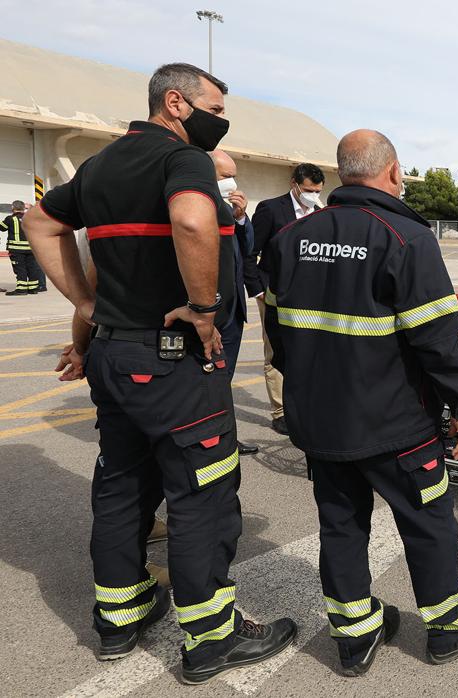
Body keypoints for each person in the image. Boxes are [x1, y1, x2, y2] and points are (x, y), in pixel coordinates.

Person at [23, 62, 296, 684]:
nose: (221, 122)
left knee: (121, 485)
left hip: (114, 356)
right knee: (202, 494)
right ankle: (211, 636)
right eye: (217, 109)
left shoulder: (100, 166)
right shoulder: (183, 161)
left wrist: (87, 313)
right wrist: (203, 310)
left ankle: (120, 616)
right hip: (172, 361)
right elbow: (194, 221)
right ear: (176, 103)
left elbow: (43, 223)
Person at [262, 129, 458, 676]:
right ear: (393, 172)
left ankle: (354, 638)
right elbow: (436, 338)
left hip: (321, 421)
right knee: (428, 522)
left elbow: (277, 330)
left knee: (342, 526)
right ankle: (450, 628)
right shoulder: (404, 237)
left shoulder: (291, 237)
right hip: (395, 423)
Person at [243, 163, 324, 436]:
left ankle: (304, 404)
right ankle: (280, 411)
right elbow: (250, 251)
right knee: (275, 352)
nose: (313, 195)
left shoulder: (320, 213)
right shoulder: (271, 209)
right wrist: (258, 290)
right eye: (309, 190)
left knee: (307, 351)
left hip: (309, 295)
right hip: (274, 293)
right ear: (294, 184)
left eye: (317, 191)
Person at [207, 150, 260, 455]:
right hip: (210, 310)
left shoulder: (231, 210)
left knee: (224, 379)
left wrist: (240, 218)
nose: (233, 182)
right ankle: (210, 440)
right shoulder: (196, 207)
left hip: (233, 310)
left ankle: (226, 437)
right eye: (226, 176)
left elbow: (248, 248)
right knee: (208, 378)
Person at [3, 201, 47, 295]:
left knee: (20, 268)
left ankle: (21, 289)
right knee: (32, 268)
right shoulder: (31, 218)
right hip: (31, 249)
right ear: (23, 208)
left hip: (17, 250)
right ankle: (33, 288)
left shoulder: (10, 219)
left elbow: (2, 228)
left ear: (13, 208)